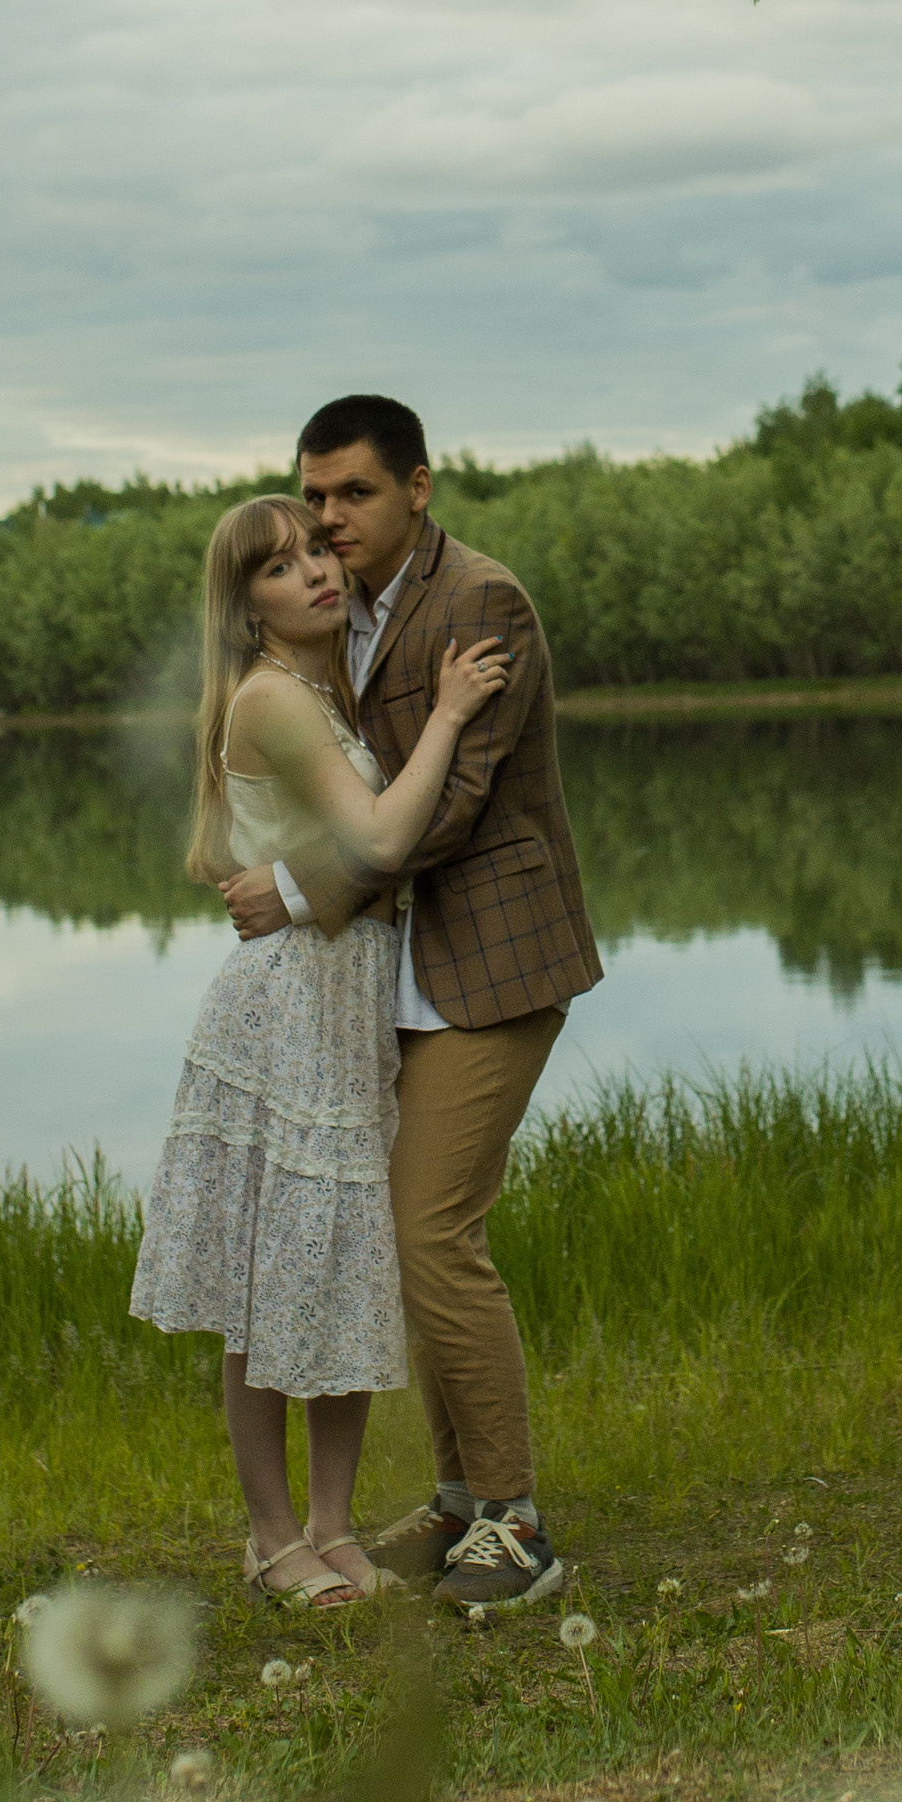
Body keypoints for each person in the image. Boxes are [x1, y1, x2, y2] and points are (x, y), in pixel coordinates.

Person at [218, 392, 602, 1613]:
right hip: (389, 975)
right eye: (313, 496)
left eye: (356, 493)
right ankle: (455, 1500)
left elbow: (451, 807)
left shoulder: (480, 601)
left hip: (495, 959)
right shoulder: (338, 615)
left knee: (432, 1227)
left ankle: (515, 1521)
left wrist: (295, 887)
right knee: (399, 1235)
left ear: (418, 487)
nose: (329, 520)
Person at [131, 495, 512, 1607]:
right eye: (279, 566)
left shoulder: (322, 689)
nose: (315, 570)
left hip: (346, 1008)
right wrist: (449, 714)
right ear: (244, 607)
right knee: (266, 1288)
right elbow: (384, 835)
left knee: (341, 1274)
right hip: (288, 1010)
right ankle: (270, 1539)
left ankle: (332, 1528)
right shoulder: (271, 699)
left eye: (315, 550)